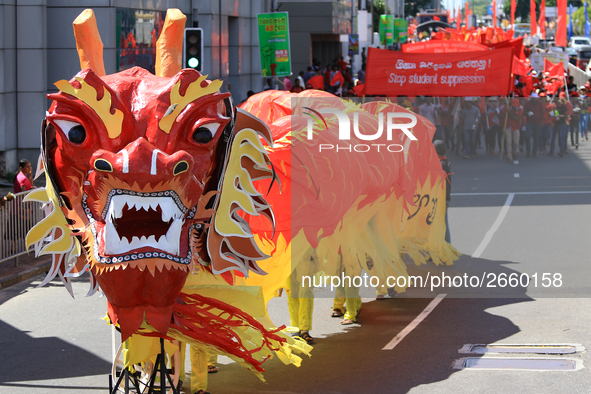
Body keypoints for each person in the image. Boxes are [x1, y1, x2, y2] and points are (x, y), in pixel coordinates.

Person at [434, 140, 451, 243]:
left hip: (442, 198)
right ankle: (439, 247)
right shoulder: (445, 162)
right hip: (444, 197)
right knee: (441, 224)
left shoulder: (441, 164)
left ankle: (446, 247)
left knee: (442, 224)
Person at [505, 98, 523, 163]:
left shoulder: (520, 109)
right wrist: (507, 111)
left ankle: (514, 152)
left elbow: (516, 118)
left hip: (516, 127)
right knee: (508, 143)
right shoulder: (509, 107)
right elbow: (505, 116)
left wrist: (509, 113)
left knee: (516, 142)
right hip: (509, 126)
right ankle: (509, 157)